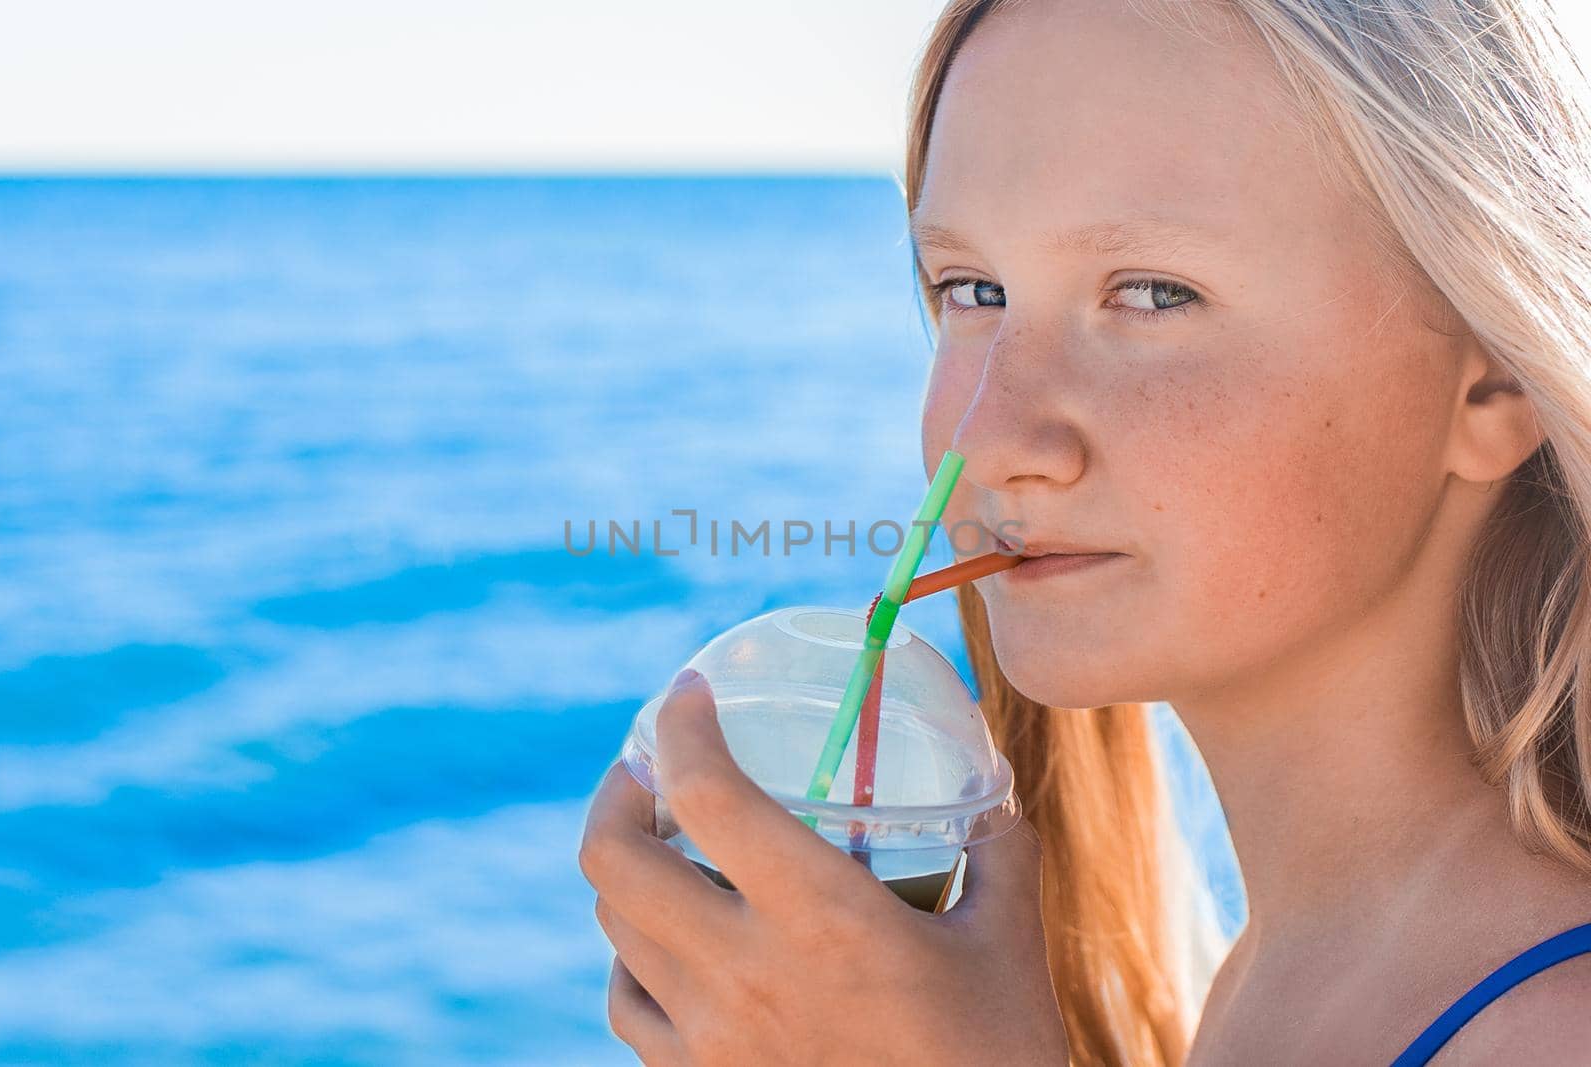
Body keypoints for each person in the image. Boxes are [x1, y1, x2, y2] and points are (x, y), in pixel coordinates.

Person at [578, 1, 1591, 1062]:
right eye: (973, 290)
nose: (993, 433)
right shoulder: (1280, 977)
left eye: (1153, 293)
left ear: (1491, 371)